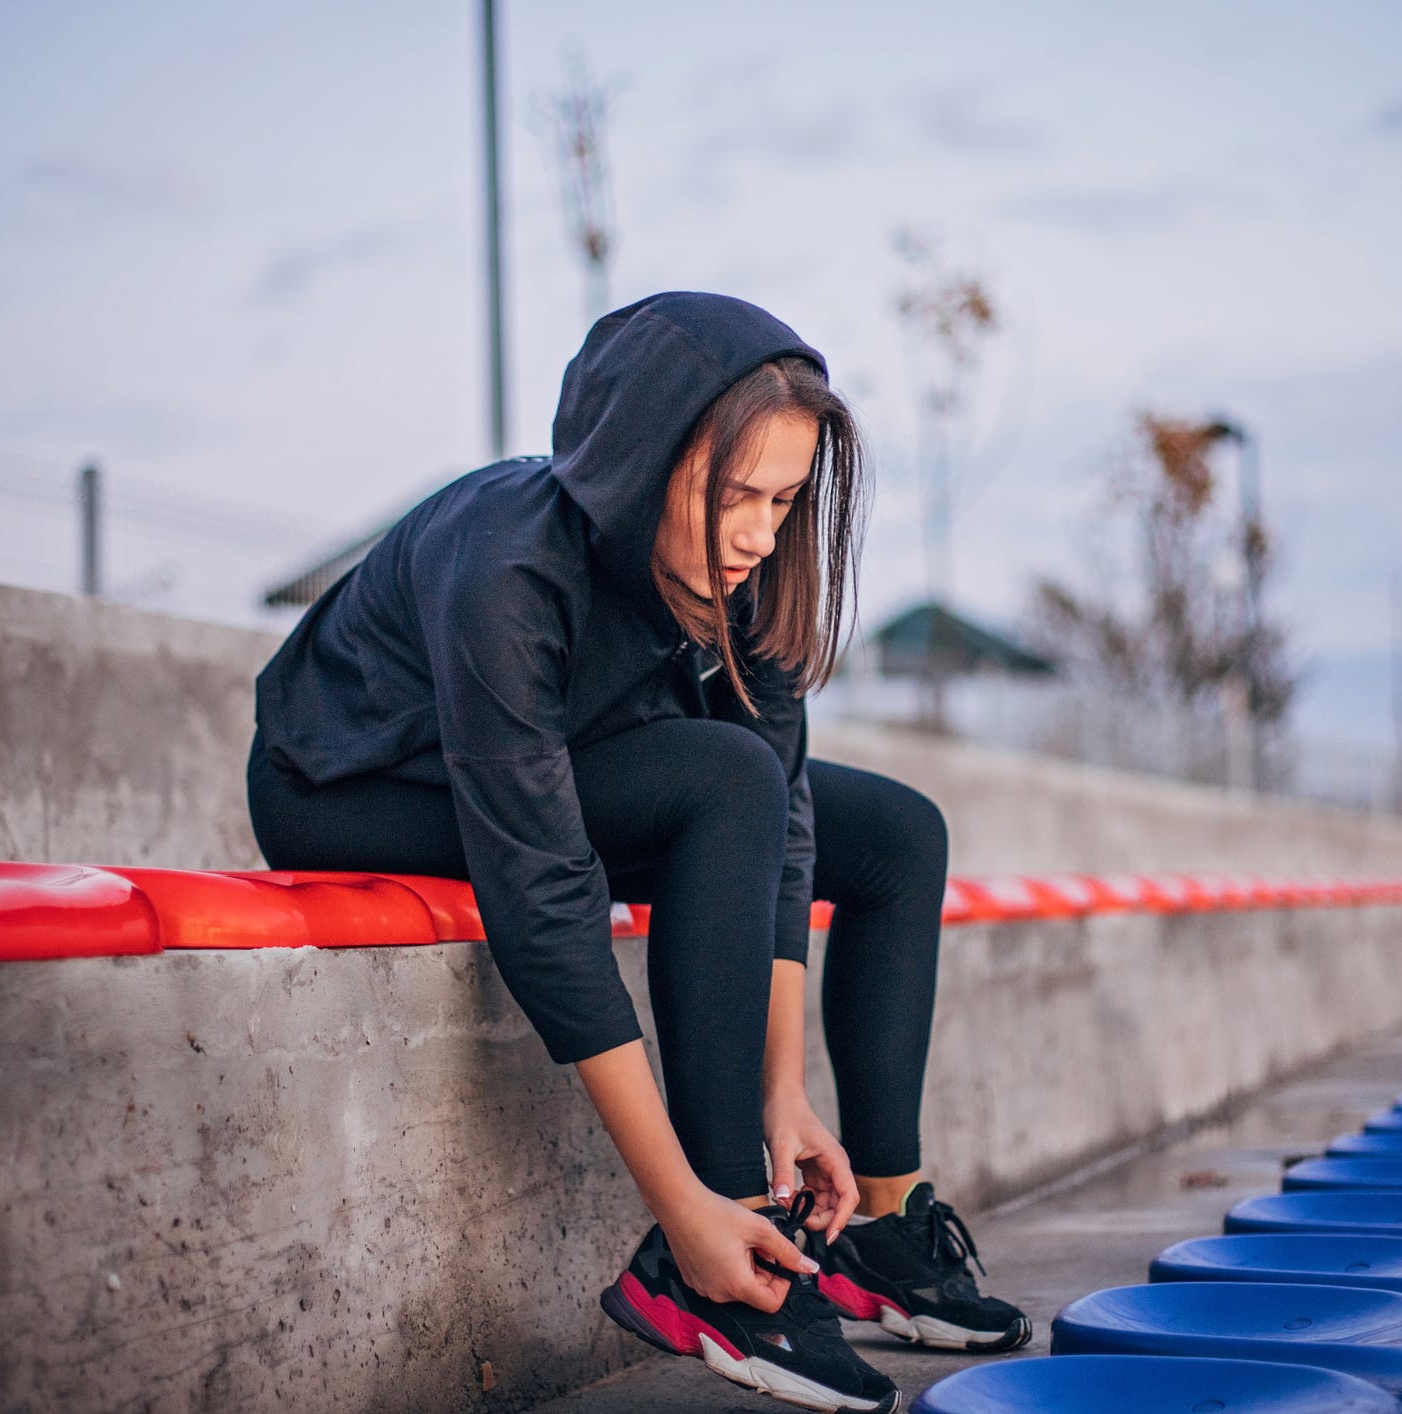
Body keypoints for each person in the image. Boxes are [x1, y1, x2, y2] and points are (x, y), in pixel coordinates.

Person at [247, 292, 1029, 1413]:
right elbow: (543, 884)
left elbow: (788, 830)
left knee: (897, 834)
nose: (763, 531)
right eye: (738, 495)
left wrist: (782, 1089)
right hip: (359, 787)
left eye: (785, 497)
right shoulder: (507, 565)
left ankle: (879, 1229)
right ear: (644, 462)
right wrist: (679, 1199)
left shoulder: (745, 576)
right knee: (724, 777)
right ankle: (712, 1258)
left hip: (565, 758)